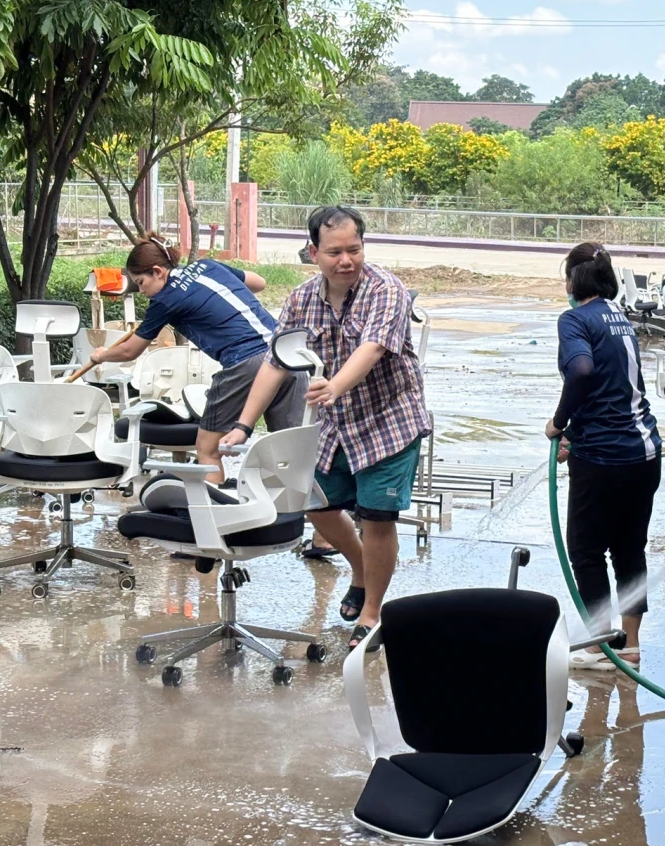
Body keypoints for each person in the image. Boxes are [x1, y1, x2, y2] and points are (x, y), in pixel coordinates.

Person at [222, 206, 431, 650]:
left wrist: (334, 385)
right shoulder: (301, 299)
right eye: (334, 252)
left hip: (389, 418)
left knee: (377, 516)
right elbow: (277, 361)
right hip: (333, 423)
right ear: (313, 252)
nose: (346, 260)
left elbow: (372, 348)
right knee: (315, 504)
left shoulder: (385, 289)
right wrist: (243, 424)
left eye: (354, 249)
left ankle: (372, 612)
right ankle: (360, 567)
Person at [88, 238, 306, 486]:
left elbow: (130, 351)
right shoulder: (209, 266)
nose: (143, 291)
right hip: (286, 354)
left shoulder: (164, 300)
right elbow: (259, 282)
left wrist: (101, 355)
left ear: (158, 272)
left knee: (207, 449)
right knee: (290, 449)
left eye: (141, 283)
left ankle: (214, 520)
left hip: (246, 362)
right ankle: (297, 518)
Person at [546, 243, 661, 669]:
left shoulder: (574, 319)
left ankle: (597, 645)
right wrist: (576, 432)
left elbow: (582, 371)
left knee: (587, 550)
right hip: (644, 452)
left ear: (574, 279)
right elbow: (613, 389)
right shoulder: (620, 318)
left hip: (603, 459)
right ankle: (629, 646)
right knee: (631, 549)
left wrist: (560, 423)